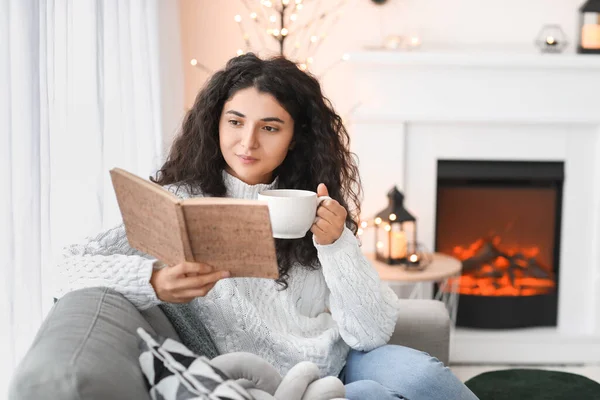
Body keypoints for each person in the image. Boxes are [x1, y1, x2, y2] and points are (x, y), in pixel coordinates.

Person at [56, 53, 478, 400]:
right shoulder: (180, 199)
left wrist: (337, 245)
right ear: (215, 122)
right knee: (369, 395)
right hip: (261, 383)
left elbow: (371, 332)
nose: (248, 142)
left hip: (341, 359)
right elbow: (68, 267)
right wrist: (154, 281)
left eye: (270, 128)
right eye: (235, 122)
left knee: (419, 377)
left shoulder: (313, 198)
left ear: (295, 137)